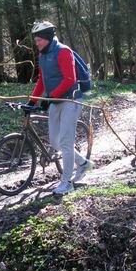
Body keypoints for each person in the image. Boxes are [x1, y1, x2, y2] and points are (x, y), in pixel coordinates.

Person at [29, 20, 93, 195]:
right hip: (55, 101)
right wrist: (32, 101)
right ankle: (83, 163)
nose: (37, 43)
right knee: (55, 141)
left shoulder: (63, 52)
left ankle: (67, 183)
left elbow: (70, 80)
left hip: (71, 101)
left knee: (65, 142)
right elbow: (42, 80)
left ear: (48, 37)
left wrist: (50, 97)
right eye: (35, 40)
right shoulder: (42, 55)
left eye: (39, 39)